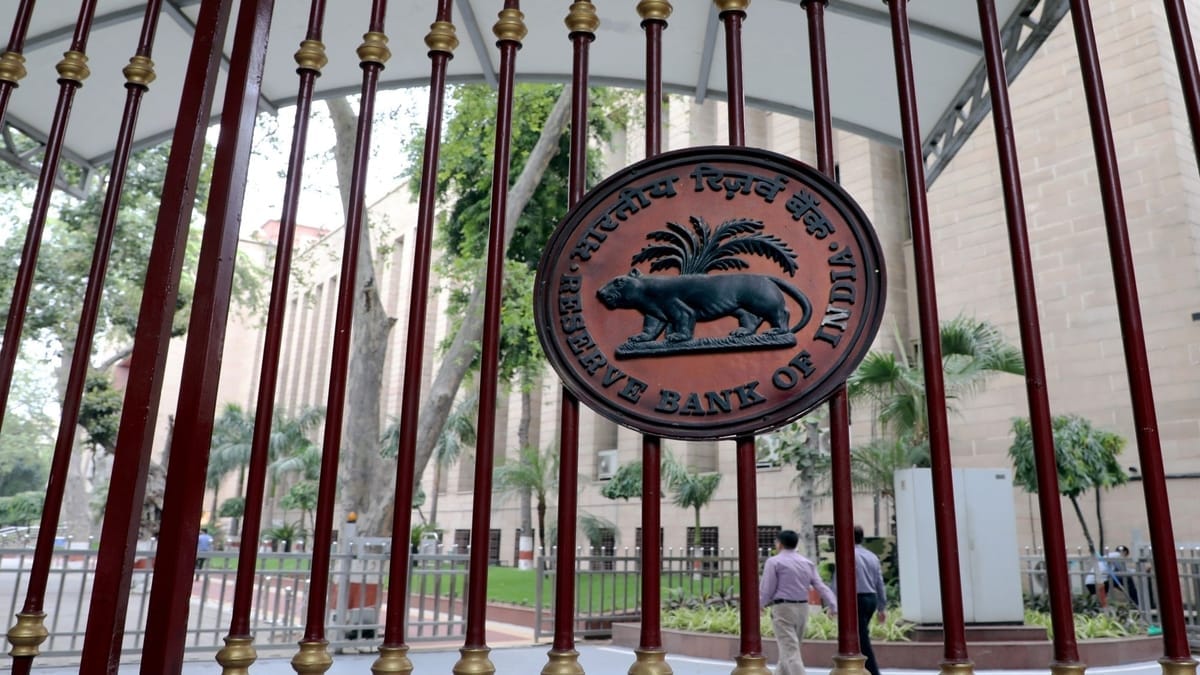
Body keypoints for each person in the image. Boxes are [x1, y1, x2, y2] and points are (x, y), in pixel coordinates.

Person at [760, 529, 837, 675]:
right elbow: (820, 585)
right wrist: (833, 604)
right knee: (790, 650)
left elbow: (767, 588)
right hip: (802, 608)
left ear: (779, 544)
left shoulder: (774, 562)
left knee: (790, 652)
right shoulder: (807, 563)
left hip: (783, 608)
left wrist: (760, 604)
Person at [854, 525, 887, 675]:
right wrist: (882, 606)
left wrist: (833, 603)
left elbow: (838, 580)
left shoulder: (848, 554)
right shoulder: (872, 556)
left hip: (857, 598)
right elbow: (880, 582)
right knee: (860, 635)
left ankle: (872, 671)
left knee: (861, 638)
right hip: (871, 598)